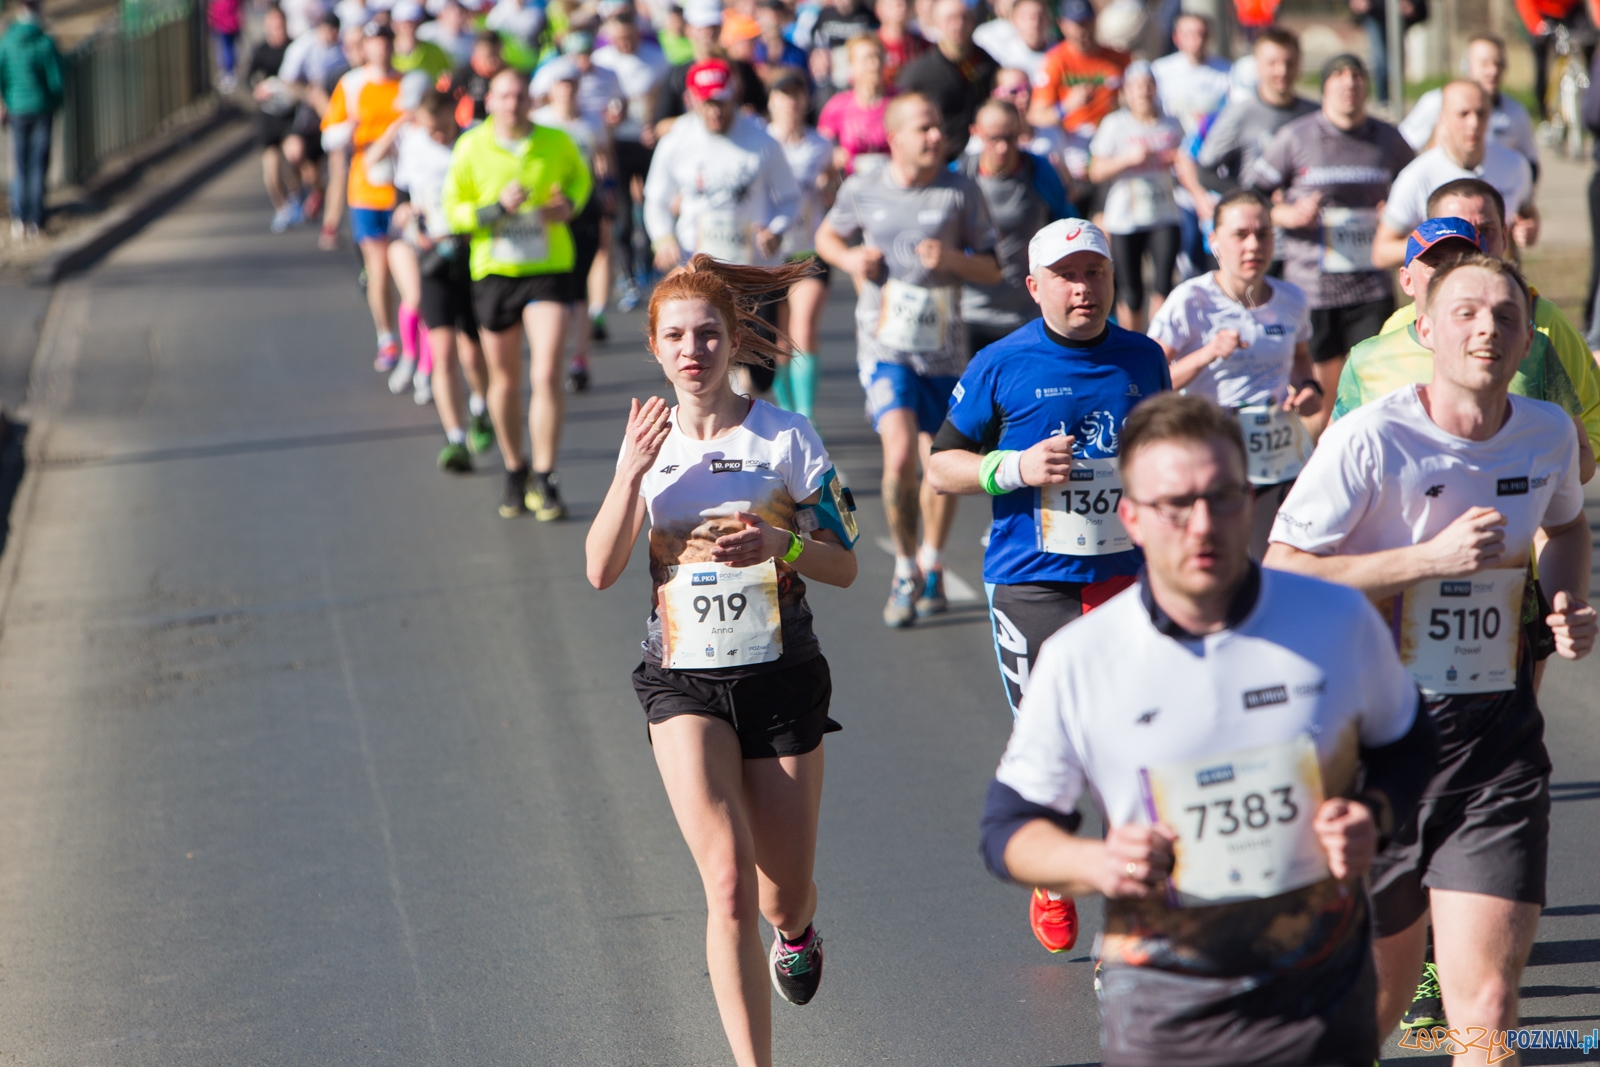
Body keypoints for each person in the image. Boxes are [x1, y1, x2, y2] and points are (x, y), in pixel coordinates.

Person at [982, 390, 1436, 1067]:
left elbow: (1409, 740)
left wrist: (1374, 813)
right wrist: (1096, 861)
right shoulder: (1084, 658)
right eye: (1175, 504)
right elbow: (1007, 830)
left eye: (1222, 496)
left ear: (1252, 500)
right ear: (1131, 516)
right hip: (1169, 1007)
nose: (1203, 524)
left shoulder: (1335, 619)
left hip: (1319, 994)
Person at [1265, 253, 1596, 1066]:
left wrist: (1566, 601)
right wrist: (1425, 561)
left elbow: (1566, 525)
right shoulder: (1370, 439)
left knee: (1485, 1009)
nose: (1488, 327)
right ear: (1425, 330)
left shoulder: (1548, 433)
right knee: (1369, 1012)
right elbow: (1281, 570)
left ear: (1527, 342)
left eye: (1507, 317)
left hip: (1495, 739)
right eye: (1467, 313)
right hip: (1370, 743)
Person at [584, 254, 857, 1067]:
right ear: (656, 348)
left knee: (781, 891)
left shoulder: (785, 436)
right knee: (728, 882)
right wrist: (629, 474)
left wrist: (784, 542)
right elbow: (599, 569)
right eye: (676, 337)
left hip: (780, 675)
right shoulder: (646, 442)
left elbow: (847, 562)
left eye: (708, 333)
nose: (693, 349)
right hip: (682, 681)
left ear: (735, 338)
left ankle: (798, 930)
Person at [926, 218, 1167, 955]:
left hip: (1125, 579)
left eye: (1094, 272)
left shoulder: (1143, 357)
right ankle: (1054, 870)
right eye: (1066, 275)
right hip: (1033, 583)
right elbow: (941, 465)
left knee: (1137, 742)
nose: (1083, 287)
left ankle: (1144, 900)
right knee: (1054, 737)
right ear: (1035, 288)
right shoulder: (1002, 363)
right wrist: (1015, 467)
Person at [814, 92, 999, 627]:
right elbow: (827, 234)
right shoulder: (863, 186)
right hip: (885, 346)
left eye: (939, 127)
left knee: (939, 469)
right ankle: (903, 566)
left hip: (944, 352)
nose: (936, 137)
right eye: (924, 129)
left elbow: (993, 268)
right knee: (898, 455)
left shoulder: (961, 191)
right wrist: (850, 256)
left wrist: (955, 260)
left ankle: (932, 562)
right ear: (894, 138)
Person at [1335, 180, 1600, 484]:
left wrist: (1525, 491)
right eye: (1435, 264)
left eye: (1461, 262)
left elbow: (1579, 453)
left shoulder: (1532, 345)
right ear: (1407, 281)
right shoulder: (1371, 355)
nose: (1449, 275)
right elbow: (1335, 463)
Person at [441, 68, 592, 519]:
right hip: (494, 271)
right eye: (504, 96)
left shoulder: (556, 140)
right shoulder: (472, 147)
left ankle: (545, 476)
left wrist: (568, 205)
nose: (512, 104)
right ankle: (515, 467)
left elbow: (580, 183)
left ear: (531, 100)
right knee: (503, 380)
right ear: (491, 101)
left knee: (545, 372)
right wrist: (494, 210)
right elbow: (452, 211)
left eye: (520, 96)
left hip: (548, 267)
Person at [1148, 188, 1320, 557]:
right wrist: (1207, 354)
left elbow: (1302, 357)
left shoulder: (1292, 299)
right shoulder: (1190, 300)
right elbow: (1151, 380)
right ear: (1214, 241)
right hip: (1209, 448)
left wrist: (1307, 387)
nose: (1253, 245)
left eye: (1264, 234)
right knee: (1219, 554)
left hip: (1275, 450)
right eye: (1240, 235)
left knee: (1272, 556)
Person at [1247, 53, 1412, 437]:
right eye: (1339, 75)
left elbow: (1418, 190)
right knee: (1321, 405)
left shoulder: (1388, 138)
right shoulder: (1297, 136)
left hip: (1371, 285)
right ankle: (1309, 481)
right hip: (1313, 288)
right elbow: (1254, 197)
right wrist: (1286, 214)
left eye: (1357, 76)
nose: (1349, 83)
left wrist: (1399, 210)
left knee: (1368, 396)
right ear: (1324, 87)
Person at [390, 87, 494, 469]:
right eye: (429, 128)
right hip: (432, 254)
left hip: (472, 252)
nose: (435, 135)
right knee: (443, 350)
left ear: (456, 114)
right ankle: (455, 438)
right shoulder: (414, 146)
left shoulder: (474, 142)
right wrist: (405, 213)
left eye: (441, 127)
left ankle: (480, 406)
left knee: (472, 350)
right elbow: (401, 194)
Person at [1088, 61, 1209, 332]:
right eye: (1137, 86)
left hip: (1164, 213)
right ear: (1127, 92)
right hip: (1125, 218)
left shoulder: (1172, 124)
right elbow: (1095, 171)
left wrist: (1179, 164)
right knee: (1131, 293)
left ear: (1156, 88)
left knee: (1163, 286)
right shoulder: (1115, 124)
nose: (1143, 92)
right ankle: (1133, 345)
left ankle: (1158, 345)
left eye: (1148, 85)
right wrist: (1127, 159)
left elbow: (1187, 164)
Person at [1374, 81, 1537, 271]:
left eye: (1481, 113)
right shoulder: (1417, 176)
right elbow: (1381, 252)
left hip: (1500, 285)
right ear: (1442, 119)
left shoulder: (1515, 165)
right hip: (1448, 291)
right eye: (1463, 114)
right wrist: (1438, 241)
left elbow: (1528, 214)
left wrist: (1528, 231)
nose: (1474, 123)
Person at [322, 21, 407, 369]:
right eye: (375, 42)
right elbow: (329, 137)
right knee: (379, 268)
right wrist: (351, 130)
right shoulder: (353, 84)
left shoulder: (408, 84)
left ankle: (416, 338)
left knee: (409, 272)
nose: (382, 48)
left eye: (386, 42)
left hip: (403, 188)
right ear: (366, 47)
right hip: (366, 188)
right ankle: (386, 337)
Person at [957, 99, 1068, 351]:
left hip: (1027, 314)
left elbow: (1063, 227)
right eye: (993, 139)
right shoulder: (961, 174)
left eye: (1010, 138)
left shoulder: (1038, 170)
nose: (1002, 147)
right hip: (971, 312)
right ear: (976, 133)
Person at [532, 57, 613, 392]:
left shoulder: (591, 122)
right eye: (560, 84)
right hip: (545, 215)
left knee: (578, 285)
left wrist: (609, 189)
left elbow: (604, 158)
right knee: (549, 286)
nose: (567, 91)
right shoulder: (538, 122)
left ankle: (580, 358)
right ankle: (545, 354)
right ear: (549, 90)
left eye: (571, 84)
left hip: (583, 209)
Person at [766, 68, 836, 421]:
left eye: (796, 95)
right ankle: (787, 411)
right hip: (770, 255)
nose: (791, 103)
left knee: (803, 327)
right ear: (771, 102)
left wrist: (829, 186)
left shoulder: (820, 146)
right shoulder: (761, 144)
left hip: (809, 249)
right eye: (783, 96)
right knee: (778, 341)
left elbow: (835, 192)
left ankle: (806, 416)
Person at [593, 15, 670, 310]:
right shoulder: (602, 59)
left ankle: (649, 267)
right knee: (622, 213)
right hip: (616, 143)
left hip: (647, 141)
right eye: (619, 39)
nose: (625, 44)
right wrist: (606, 121)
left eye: (630, 38)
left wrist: (658, 123)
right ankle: (627, 277)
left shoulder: (656, 58)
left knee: (652, 201)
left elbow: (666, 96)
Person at [1194, 26, 1314, 200]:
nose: (1282, 71)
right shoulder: (1240, 113)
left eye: (1289, 63)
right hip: (1259, 221)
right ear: (1257, 66)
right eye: (1273, 63)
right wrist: (1253, 198)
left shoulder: (1314, 114)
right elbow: (1206, 173)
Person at [1399, 35, 1538, 175]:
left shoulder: (1515, 111)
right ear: (1466, 65)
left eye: (1499, 64)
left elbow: (1530, 164)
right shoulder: (1438, 101)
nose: (1493, 71)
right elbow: (1400, 146)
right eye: (1485, 64)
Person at [896, 0, 997, 165]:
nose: (958, 24)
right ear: (935, 23)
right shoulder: (918, 74)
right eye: (950, 19)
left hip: (984, 163)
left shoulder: (988, 65)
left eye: (964, 17)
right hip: (937, 164)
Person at [279, 10, 348, 231]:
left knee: (317, 169)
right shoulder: (303, 47)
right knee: (295, 153)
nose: (332, 35)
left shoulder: (341, 51)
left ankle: (318, 194)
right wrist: (310, 93)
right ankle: (294, 194)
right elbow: (287, 82)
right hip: (301, 113)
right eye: (329, 30)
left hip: (328, 116)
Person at [0, 0, 61, 243]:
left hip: (16, 110)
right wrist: (56, 103)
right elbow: (56, 81)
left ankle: (19, 218)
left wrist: (4, 102)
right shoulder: (45, 42)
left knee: (20, 163)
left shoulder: (7, 42)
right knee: (38, 164)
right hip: (41, 108)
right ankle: (35, 218)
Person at [1027, 0, 1127, 138]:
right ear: (1062, 25)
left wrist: (1125, 102)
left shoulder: (1119, 59)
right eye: (1077, 24)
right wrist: (1066, 106)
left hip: (1113, 133)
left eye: (1087, 22)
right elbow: (1036, 116)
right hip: (1074, 137)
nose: (1083, 30)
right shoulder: (1055, 61)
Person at [247, 7, 304, 233]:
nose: (276, 29)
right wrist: (257, 89)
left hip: (290, 113)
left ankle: (295, 193)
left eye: (280, 24)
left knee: (294, 154)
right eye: (272, 24)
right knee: (270, 170)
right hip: (269, 115)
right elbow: (249, 79)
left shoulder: (294, 48)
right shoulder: (260, 51)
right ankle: (281, 208)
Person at [815, 34, 891, 177]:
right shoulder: (837, 106)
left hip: (894, 186)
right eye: (867, 59)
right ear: (852, 66)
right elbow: (820, 148)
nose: (874, 65)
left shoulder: (899, 102)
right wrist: (834, 157)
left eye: (878, 57)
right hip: (853, 186)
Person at [971, 0, 1052, 79]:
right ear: (1014, 19)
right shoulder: (1002, 58)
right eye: (1026, 17)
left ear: (1048, 19)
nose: (1035, 23)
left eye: (1040, 16)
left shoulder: (1058, 52)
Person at [391, 1, 452, 78]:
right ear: (394, 24)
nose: (409, 27)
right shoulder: (386, 51)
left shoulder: (434, 51)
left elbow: (447, 76)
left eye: (413, 22)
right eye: (405, 23)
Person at [873, 0, 926, 89]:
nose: (902, 8)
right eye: (895, 4)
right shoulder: (871, 46)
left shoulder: (923, 45)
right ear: (879, 10)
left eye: (905, 3)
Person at [417, 0, 475, 66]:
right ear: (442, 13)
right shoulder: (426, 32)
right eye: (452, 8)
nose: (458, 11)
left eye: (461, 8)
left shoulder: (472, 36)